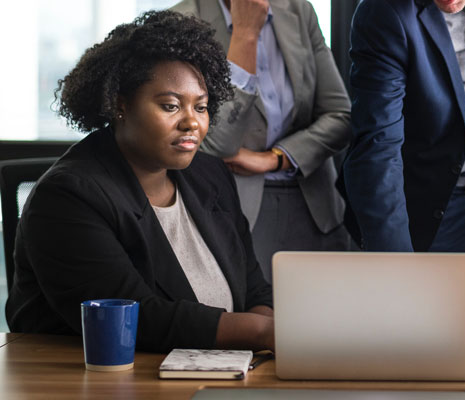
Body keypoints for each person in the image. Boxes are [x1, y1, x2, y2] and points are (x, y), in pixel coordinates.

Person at [6, 11, 274, 353]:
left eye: (202, 107)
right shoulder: (67, 196)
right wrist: (261, 334)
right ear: (120, 105)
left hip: (216, 372)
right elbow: (136, 318)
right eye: (171, 106)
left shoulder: (211, 176)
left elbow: (254, 290)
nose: (192, 122)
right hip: (91, 381)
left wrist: (266, 344)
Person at [342, 0, 465, 338]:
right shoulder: (383, 13)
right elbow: (377, 147)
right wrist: (396, 266)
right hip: (421, 210)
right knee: (418, 344)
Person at [171, 0, 352, 283]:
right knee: (261, 320)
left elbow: (341, 115)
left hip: (316, 204)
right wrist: (245, 34)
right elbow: (218, 144)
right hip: (238, 209)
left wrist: (277, 157)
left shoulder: (298, 10)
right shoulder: (181, 21)